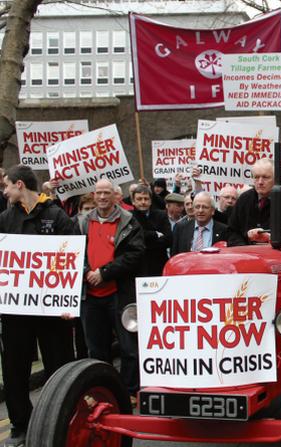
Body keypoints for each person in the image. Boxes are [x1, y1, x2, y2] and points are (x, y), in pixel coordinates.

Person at [0, 165, 78, 446]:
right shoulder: (5, 219)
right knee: (14, 369)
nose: (4, 191)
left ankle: (65, 419)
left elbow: (74, 257)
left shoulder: (56, 216)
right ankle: (20, 425)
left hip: (53, 312)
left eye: (6, 185)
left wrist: (70, 298)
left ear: (20, 184)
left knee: (60, 366)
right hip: (16, 312)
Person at [76, 179, 145, 401]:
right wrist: (87, 272)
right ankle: (100, 391)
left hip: (119, 293)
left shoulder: (128, 221)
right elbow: (74, 251)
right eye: (99, 193)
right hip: (91, 296)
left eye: (107, 193)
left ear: (115, 196)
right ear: (93, 195)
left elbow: (135, 254)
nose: (103, 197)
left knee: (128, 346)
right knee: (96, 349)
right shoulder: (82, 222)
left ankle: (131, 390)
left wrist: (104, 273)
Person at [227, 159, 281, 246]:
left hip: (277, 253)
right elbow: (232, 231)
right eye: (256, 177)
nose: (260, 182)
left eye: (265, 177)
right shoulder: (244, 199)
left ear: (276, 178)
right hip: (247, 254)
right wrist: (244, 248)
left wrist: (271, 237)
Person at [130, 184, 172, 276]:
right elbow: (131, 240)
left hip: (158, 265)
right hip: (137, 267)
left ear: (151, 201)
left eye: (146, 199)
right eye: (139, 199)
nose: (143, 202)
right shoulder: (129, 217)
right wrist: (154, 234)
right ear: (133, 201)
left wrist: (144, 241)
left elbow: (168, 240)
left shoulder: (161, 215)